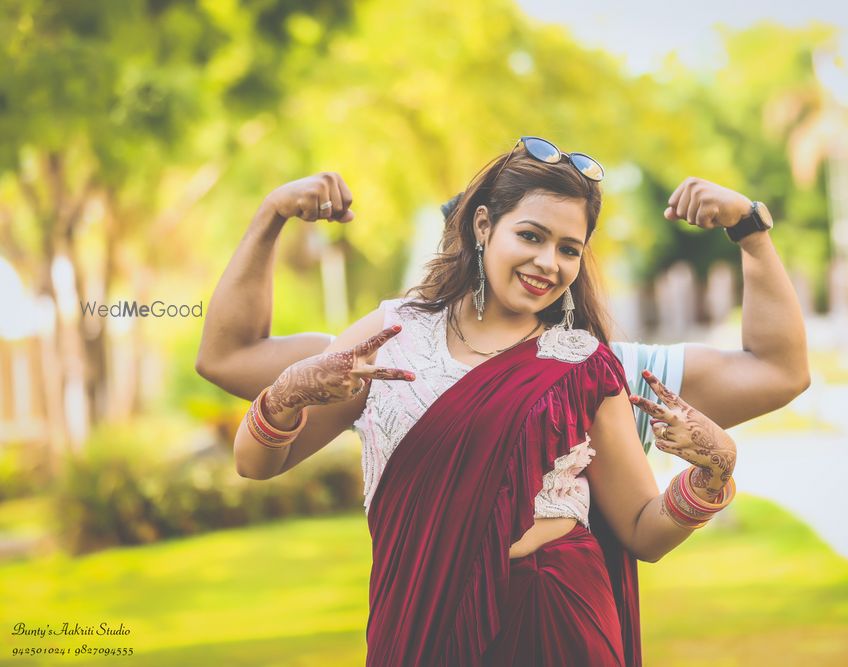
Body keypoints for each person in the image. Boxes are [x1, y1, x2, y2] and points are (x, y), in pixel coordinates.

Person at [196, 137, 805, 665]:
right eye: (531, 236)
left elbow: (644, 532)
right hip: (417, 614)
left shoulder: (590, 363)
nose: (549, 262)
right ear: (482, 226)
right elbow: (254, 459)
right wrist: (289, 392)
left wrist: (714, 471)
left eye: (570, 248)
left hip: (555, 617)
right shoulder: (390, 337)